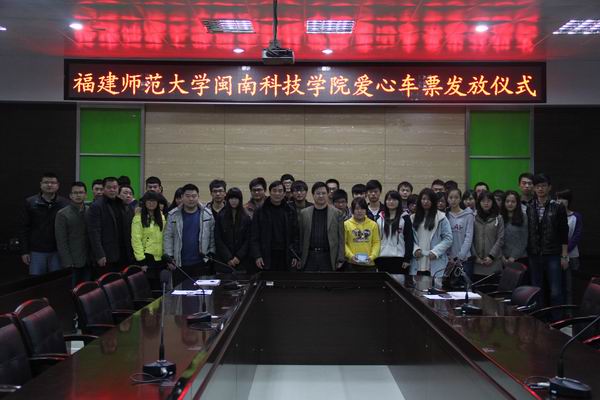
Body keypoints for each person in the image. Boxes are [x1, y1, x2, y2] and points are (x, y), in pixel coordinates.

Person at [527, 174, 569, 310]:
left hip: (553, 254)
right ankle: (540, 318)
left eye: (543, 186)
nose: (540, 189)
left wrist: (564, 256)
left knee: (555, 290)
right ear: (534, 188)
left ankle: (557, 319)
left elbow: (564, 232)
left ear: (549, 187)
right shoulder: (529, 206)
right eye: (537, 186)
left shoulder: (558, 207)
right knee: (536, 289)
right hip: (534, 253)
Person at [18, 172, 69, 275]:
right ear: (41, 184)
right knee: (36, 281)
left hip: (57, 251)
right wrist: (24, 251)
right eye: (46, 182)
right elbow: (23, 228)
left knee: (56, 280)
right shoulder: (30, 202)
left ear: (58, 185)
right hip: (36, 251)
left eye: (52, 182)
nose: (49, 185)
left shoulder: (65, 203)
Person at [163, 183, 215, 284]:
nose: (191, 199)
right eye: (187, 196)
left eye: (194, 196)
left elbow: (212, 236)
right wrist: (170, 257)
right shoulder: (173, 215)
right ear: (182, 197)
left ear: (198, 197)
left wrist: (211, 254)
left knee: (201, 291)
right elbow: (168, 237)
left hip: (201, 263)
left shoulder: (207, 214)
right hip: (179, 264)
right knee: (180, 292)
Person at [86, 176, 134, 274]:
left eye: (115, 187)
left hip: (123, 252)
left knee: (122, 280)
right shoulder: (97, 206)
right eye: (109, 187)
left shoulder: (121, 203)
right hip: (107, 254)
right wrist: (99, 254)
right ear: (104, 189)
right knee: (108, 281)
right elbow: (94, 232)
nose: (112, 190)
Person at [250, 181, 300, 271]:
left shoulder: (290, 210)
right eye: (274, 191)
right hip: (266, 253)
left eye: (280, 191)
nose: (277, 194)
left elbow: (295, 235)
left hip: (286, 254)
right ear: (269, 192)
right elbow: (254, 236)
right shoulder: (260, 210)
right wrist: (257, 255)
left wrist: (295, 255)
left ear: (284, 193)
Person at [299, 182, 345, 271]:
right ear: (313, 195)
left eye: (323, 193)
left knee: (327, 280)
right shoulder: (304, 213)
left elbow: (341, 238)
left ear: (328, 194)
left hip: (328, 256)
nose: (321, 196)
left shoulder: (337, 213)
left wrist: (340, 258)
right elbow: (301, 236)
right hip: (309, 256)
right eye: (318, 193)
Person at [409, 188, 453, 277]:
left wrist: (435, 252)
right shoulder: (412, 218)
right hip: (417, 260)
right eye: (423, 199)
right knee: (416, 285)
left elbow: (448, 239)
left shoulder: (441, 217)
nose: (425, 202)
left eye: (429, 199)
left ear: (433, 201)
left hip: (435, 260)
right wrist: (415, 249)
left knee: (434, 285)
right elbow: (409, 238)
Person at [55, 181, 90, 287]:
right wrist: (67, 262)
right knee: (72, 289)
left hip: (89, 260)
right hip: (72, 261)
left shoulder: (90, 211)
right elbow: (61, 240)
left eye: (81, 192)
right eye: (75, 193)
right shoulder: (62, 214)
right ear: (70, 195)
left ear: (85, 195)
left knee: (88, 289)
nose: (78, 195)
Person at [131, 191, 166, 290]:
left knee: (159, 289)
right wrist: (141, 260)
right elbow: (136, 240)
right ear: (144, 202)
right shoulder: (138, 218)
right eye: (149, 201)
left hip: (160, 258)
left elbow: (164, 237)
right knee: (148, 289)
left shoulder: (161, 217)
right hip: (146, 258)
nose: (151, 203)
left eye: (154, 201)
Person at [215, 188, 252, 274]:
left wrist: (238, 256)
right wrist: (228, 257)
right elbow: (218, 238)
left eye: (236, 198)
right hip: (223, 262)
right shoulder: (221, 215)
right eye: (231, 198)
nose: (234, 201)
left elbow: (248, 239)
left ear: (240, 200)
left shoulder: (246, 217)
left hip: (241, 262)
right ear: (227, 200)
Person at [375, 191, 413, 274]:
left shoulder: (405, 217)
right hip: (381, 257)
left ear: (399, 202)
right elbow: (375, 240)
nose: (391, 202)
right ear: (385, 201)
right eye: (389, 199)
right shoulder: (379, 218)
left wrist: (407, 259)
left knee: (398, 282)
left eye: (394, 200)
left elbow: (409, 239)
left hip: (399, 258)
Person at [556, 189, 583, 304]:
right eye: (558, 199)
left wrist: (565, 251)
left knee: (571, 286)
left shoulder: (576, 216)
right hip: (557, 256)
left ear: (568, 201)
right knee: (558, 286)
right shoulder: (554, 216)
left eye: (563, 199)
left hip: (572, 256)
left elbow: (577, 236)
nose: (560, 201)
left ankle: (570, 310)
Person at [472, 191, 505, 278]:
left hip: (494, 262)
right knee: (477, 286)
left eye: (489, 201)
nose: (486, 203)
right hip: (477, 263)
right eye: (483, 201)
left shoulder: (498, 218)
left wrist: (491, 256)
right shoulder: (473, 217)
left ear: (493, 202)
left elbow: (500, 239)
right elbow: (470, 239)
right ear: (479, 202)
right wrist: (475, 257)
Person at [344, 197, 380, 271]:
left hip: (369, 264)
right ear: (352, 210)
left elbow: (376, 242)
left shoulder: (373, 224)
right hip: (352, 264)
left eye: (362, 209)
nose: (359, 211)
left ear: (366, 210)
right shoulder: (346, 224)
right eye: (357, 209)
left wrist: (372, 257)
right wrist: (351, 256)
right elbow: (343, 243)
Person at [446, 188, 474, 279]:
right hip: (449, 260)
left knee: (464, 285)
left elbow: (468, 237)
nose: (453, 200)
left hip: (465, 259)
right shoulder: (445, 215)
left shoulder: (468, 215)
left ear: (460, 199)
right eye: (451, 197)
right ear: (447, 199)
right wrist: (448, 256)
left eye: (456, 197)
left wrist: (460, 257)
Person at [501, 190, 528, 269]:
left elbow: (523, 240)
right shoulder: (499, 217)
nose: (510, 204)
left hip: (520, 258)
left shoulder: (524, 217)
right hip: (502, 259)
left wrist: (513, 257)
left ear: (517, 203)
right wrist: (501, 256)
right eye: (507, 201)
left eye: (513, 202)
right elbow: (496, 239)